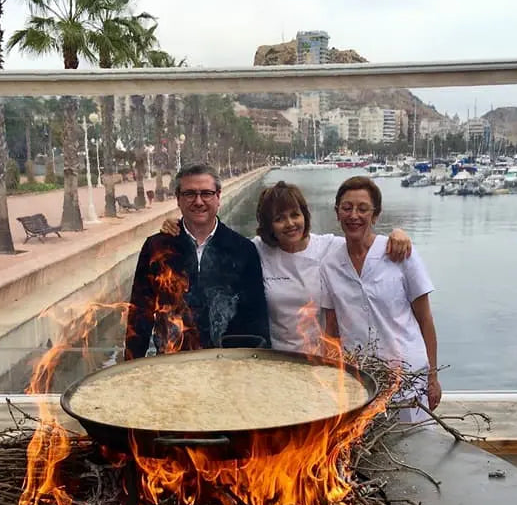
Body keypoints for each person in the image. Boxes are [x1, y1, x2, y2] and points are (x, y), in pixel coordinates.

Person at [161, 180, 412, 354]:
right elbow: (213, 245)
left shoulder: (329, 247)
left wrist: (397, 233)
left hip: (323, 362)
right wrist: (179, 228)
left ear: (305, 215)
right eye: (279, 219)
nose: (290, 224)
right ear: (269, 225)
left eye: (295, 215)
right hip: (277, 361)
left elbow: (363, 240)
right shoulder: (257, 250)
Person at [320, 176, 441, 420]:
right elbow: (331, 330)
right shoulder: (330, 265)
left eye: (363, 209)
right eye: (347, 208)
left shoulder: (400, 254)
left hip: (408, 380)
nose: (354, 215)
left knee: (415, 452)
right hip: (360, 383)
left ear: (375, 215)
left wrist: (433, 376)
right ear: (337, 212)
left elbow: (425, 319)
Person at [124, 164, 269, 360]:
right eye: (190, 194)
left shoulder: (243, 249)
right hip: (171, 366)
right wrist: (131, 367)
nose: (198, 201)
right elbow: (140, 313)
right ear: (178, 199)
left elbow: (256, 316)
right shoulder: (157, 248)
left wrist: (256, 365)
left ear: (218, 197)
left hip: (227, 368)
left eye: (206, 193)